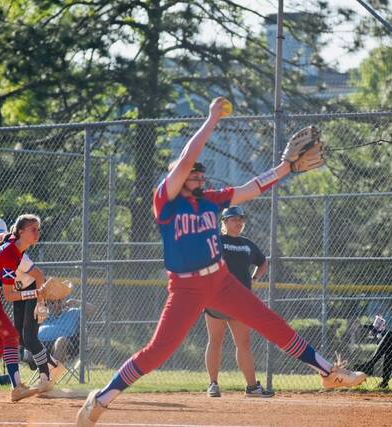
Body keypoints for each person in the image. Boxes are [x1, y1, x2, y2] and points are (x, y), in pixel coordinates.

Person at [76, 97, 366, 426]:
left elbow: (251, 188)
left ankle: (329, 372)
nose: (199, 180)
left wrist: (285, 167)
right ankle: (101, 399)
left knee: (270, 322)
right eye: (193, 177)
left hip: (221, 280)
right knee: (159, 350)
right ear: (179, 178)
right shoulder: (166, 203)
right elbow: (186, 158)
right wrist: (212, 119)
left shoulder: (210, 201)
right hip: (185, 288)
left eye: (201, 177)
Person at [0, 218, 64, 401]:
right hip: (18, 292)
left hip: (30, 288)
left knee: (29, 337)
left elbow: (39, 276)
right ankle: (53, 365)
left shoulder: (14, 252)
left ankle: (45, 377)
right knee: (21, 338)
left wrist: (40, 301)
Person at [204, 206, 272, 398]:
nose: (239, 222)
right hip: (216, 298)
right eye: (234, 219)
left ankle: (252, 387)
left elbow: (263, 262)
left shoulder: (247, 244)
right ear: (224, 223)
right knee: (215, 340)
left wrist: (255, 278)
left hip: (241, 300)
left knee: (243, 342)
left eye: (241, 219)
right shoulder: (216, 241)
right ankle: (213, 384)